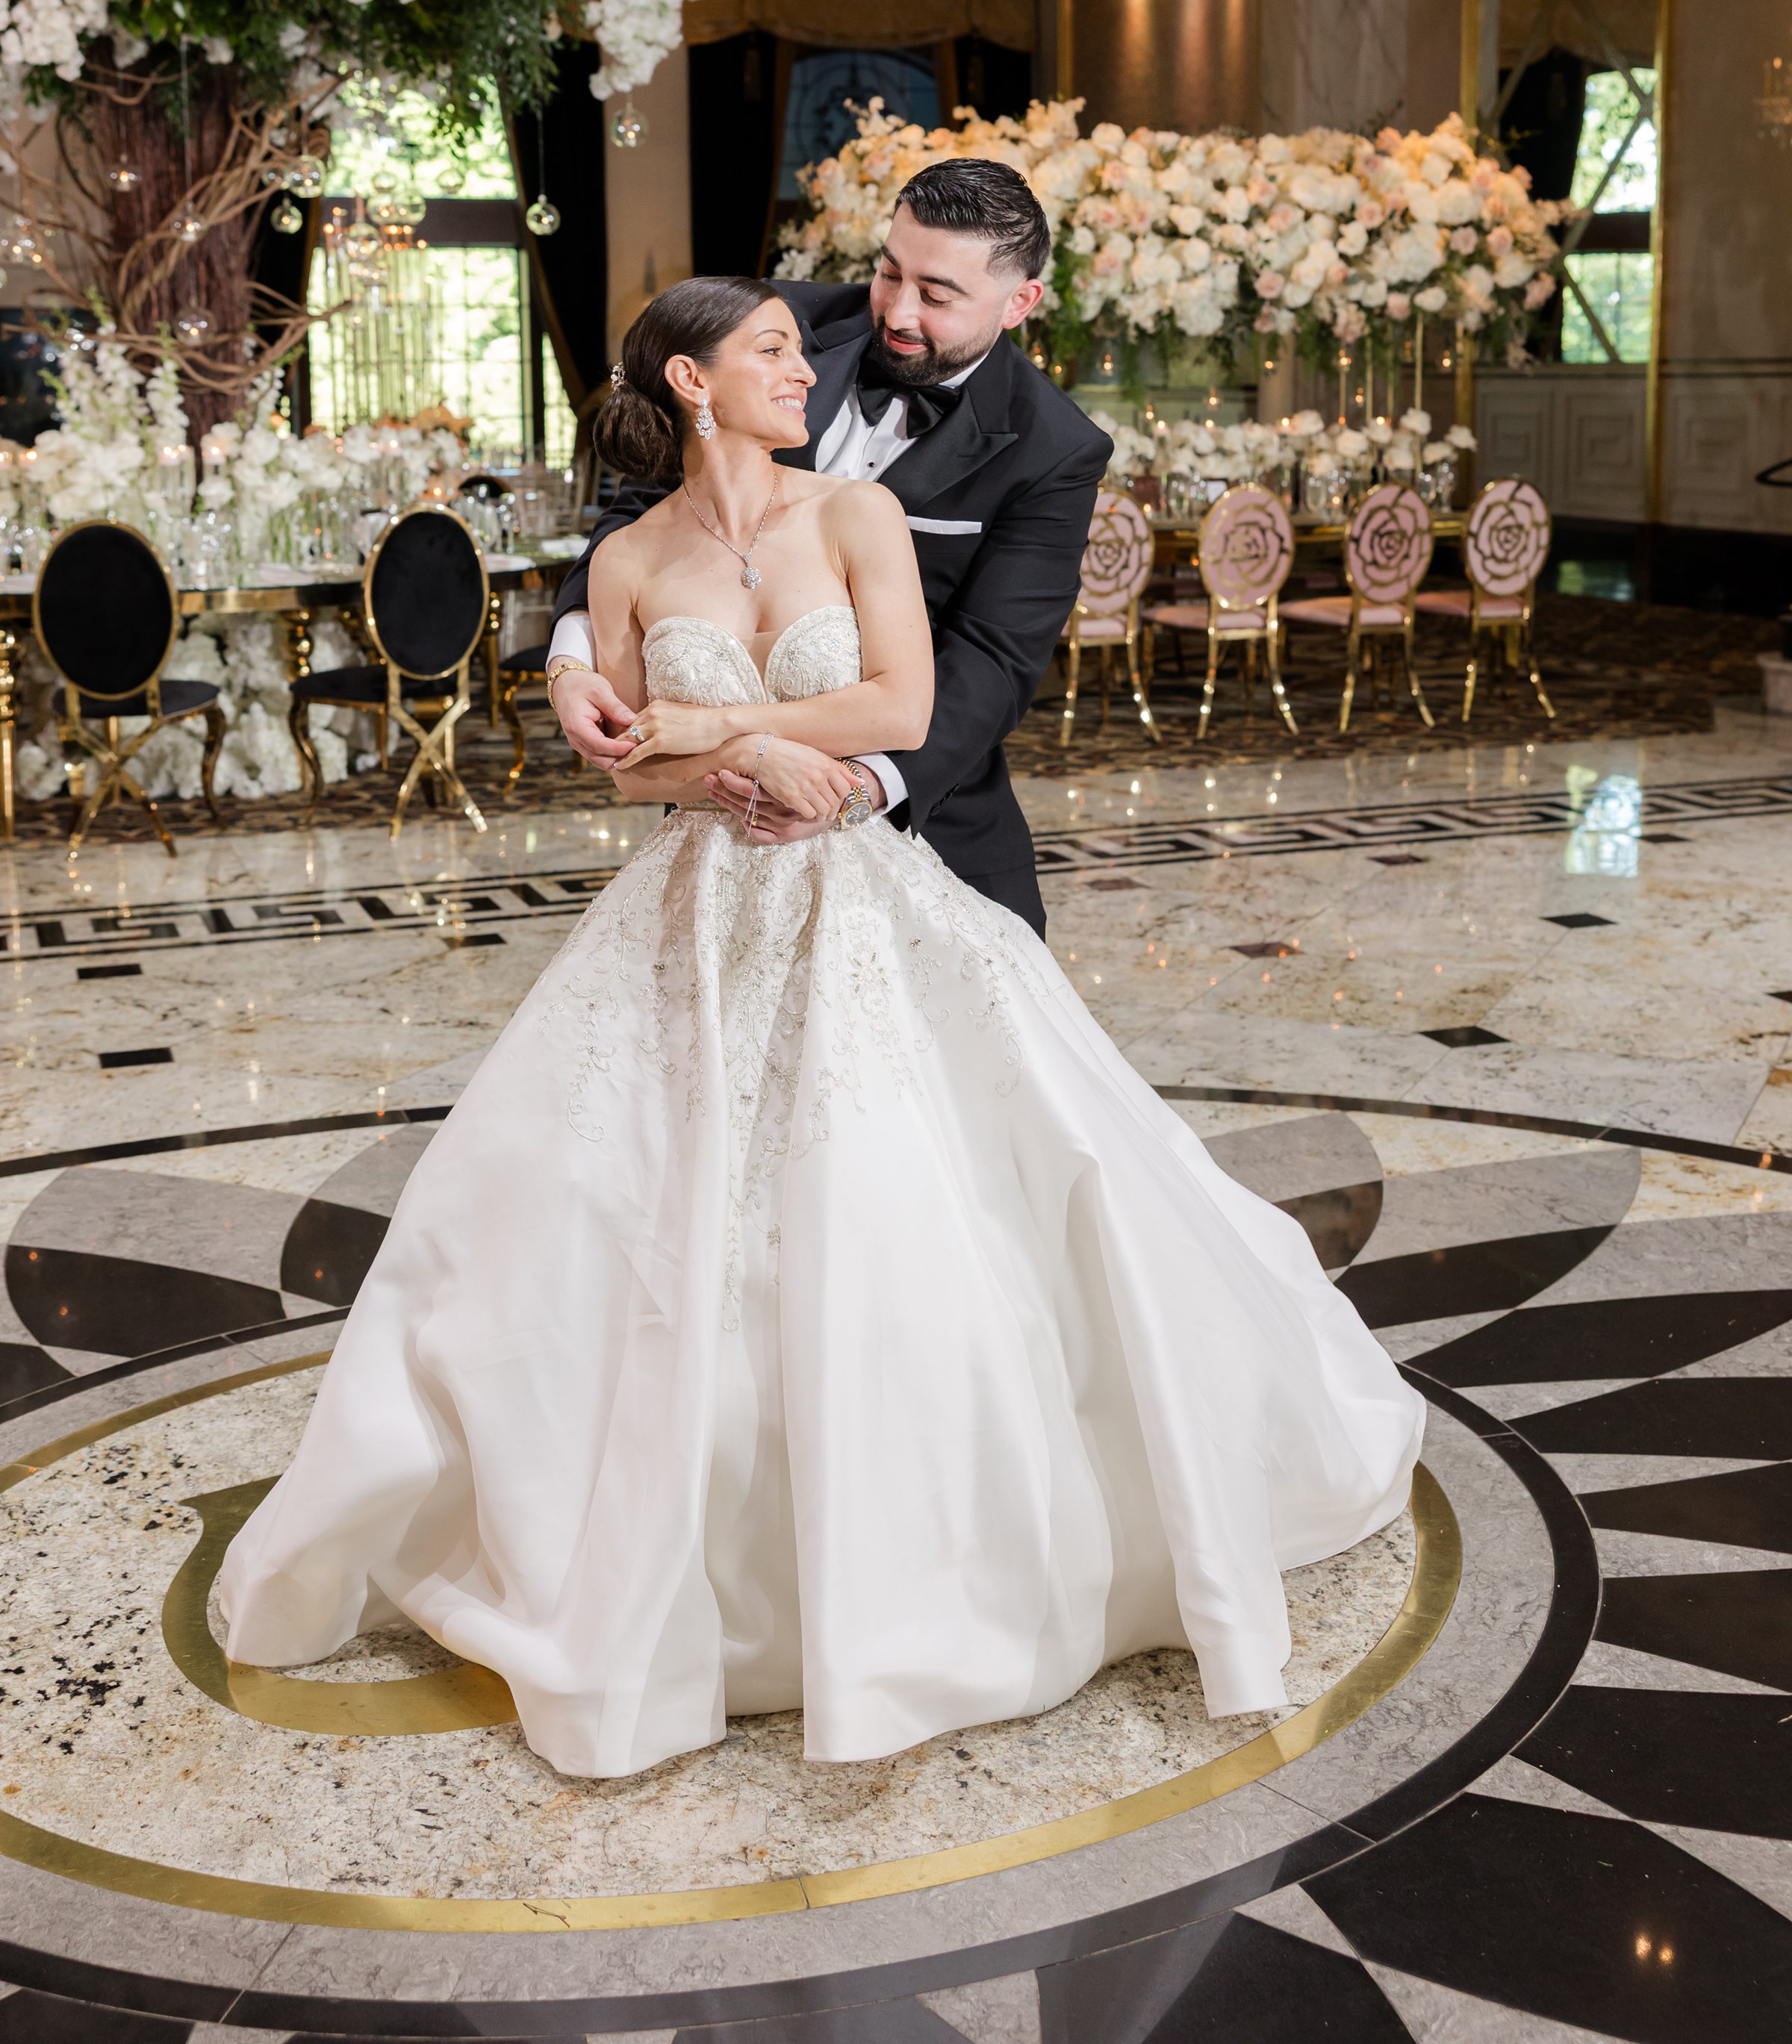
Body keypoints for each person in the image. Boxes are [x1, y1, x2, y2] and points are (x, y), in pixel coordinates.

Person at [216, 272, 1425, 1785]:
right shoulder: (628, 560)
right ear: (692, 383)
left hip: (861, 891)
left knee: (929, 1196)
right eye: (774, 352)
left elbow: (904, 706)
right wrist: (720, 764)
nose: (807, 369)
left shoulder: (857, 517)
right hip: (695, 906)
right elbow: (628, 766)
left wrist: (738, 735)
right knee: (619, 1214)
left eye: (801, 350)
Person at [543, 158, 1111, 935]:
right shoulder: (776, 326)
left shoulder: (1054, 446)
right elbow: (645, 508)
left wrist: (855, 788)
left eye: (937, 295)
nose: (898, 311)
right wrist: (572, 663)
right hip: (723, 827)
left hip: (930, 819)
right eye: (889, 272)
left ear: (1020, 302)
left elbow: (993, 658)